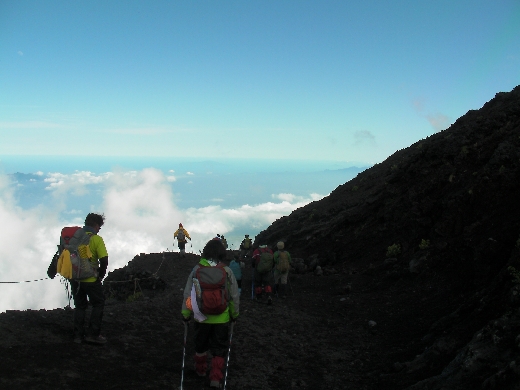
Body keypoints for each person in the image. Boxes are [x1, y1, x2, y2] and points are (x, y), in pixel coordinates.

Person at [181, 239, 240, 388]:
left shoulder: (196, 269)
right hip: (222, 318)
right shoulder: (226, 271)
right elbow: (234, 296)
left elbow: (189, 294)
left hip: (201, 317)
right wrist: (234, 314)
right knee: (219, 349)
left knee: (200, 346)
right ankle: (215, 378)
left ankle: (200, 370)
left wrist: (186, 314)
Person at [71, 213, 109, 345]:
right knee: (98, 303)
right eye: (99, 227)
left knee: (80, 306)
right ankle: (93, 335)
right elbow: (104, 259)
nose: (99, 229)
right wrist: (101, 275)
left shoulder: (74, 238)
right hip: (91, 279)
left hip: (75, 279)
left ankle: (77, 336)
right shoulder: (96, 239)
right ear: (96, 225)